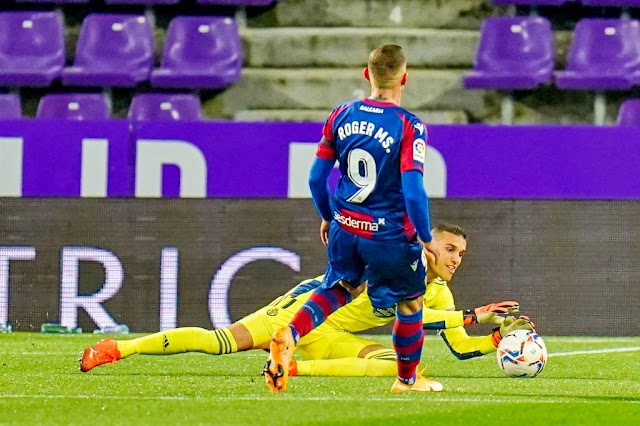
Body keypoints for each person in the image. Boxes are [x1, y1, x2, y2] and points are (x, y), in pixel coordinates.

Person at [79, 224, 534, 377]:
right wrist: (474, 314)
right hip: (303, 312)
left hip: (332, 336)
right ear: (428, 246)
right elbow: (404, 308)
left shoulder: (441, 291)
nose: (456, 259)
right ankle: (119, 348)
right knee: (217, 341)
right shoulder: (400, 262)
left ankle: (294, 366)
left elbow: (454, 341)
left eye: (462, 254)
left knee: (400, 366)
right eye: (450, 249)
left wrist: (493, 342)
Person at [265, 44, 440, 393]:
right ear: (404, 78)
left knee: (340, 287)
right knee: (410, 301)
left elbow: (316, 178)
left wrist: (328, 216)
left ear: (367, 74)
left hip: (346, 225)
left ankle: (290, 333)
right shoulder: (409, 125)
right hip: (388, 234)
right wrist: (425, 236)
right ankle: (407, 380)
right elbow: (413, 190)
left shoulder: (341, 115)